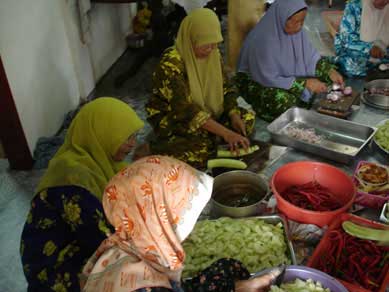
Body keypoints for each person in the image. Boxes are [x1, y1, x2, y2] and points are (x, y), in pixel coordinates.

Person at [81, 155, 281, 292]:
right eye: (182, 214)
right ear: (159, 220)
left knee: (225, 268)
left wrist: (240, 287)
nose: (191, 226)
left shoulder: (128, 245)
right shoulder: (145, 286)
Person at [20, 97, 144, 292]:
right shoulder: (74, 179)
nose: (132, 144)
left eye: (134, 136)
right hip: (56, 265)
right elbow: (101, 240)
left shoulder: (104, 162)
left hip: (83, 243)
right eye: (126, 137)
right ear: (103, 134)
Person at [145, 8, 254, 170]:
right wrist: (226, 133)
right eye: (205, 45)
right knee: (198, 150)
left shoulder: (213, 54)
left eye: (214, 44)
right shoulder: (171, 64)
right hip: (174, 118)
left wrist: (233, 115)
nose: (211, 49)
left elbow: (226, 88)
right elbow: (186, 111)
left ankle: (214, 137)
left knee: (247, 120)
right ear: (191, 39)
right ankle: (156, 146)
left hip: (208, 112)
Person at [236, 0, 344, 122]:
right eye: (295, 22)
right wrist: (305, 83)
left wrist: (329, 71)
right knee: (283, 101)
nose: (299, 26)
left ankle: (306, 99)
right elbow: (266, 77)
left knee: (329, 77)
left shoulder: (298, 32)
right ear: (281, 18)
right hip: (259, 83)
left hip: (286, 78)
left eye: (302, 21)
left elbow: (310, 59)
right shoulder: (262, 40)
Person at [334, 0, 389, 77]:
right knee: (353, 66)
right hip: (354, 49)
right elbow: (347, 40)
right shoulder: (354, 6)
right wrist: (369, 48)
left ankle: (378, 67)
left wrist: (382, 47)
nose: (386, 2)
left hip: (382, 51)